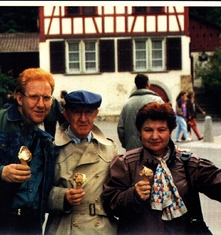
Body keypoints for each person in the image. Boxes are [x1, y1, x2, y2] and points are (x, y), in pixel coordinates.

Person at [102, 102, 221, 235]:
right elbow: (109, 203)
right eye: (148, 130)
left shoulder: (188, 163)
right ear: (140, 132)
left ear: (170, 131)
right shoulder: (126, 163)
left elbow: (217, 182)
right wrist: (133, 196)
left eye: (161, 130)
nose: (154, 136)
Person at [0, 68, 57, 234]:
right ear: (19, 98)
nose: (41, 104)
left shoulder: (46, 140)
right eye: (34, 97)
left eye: (46, 98)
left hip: (31, 224)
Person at [45, 90, 119, 235]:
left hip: (101, 228)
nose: (83, 119)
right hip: (64, 227)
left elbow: (118, 191)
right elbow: (37, 193)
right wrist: (63, 197)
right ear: (66, 114)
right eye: (77, 112)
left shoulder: (110, 148)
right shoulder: (51, 148)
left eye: (88, 112)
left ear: (96, 113)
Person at [117, 73, 164, 151]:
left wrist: (127, 144)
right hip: (154, 148)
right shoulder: (157, 101)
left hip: (132, 149)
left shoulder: (127, 103)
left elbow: (120, 128)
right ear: (148, 84)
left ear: (136, 85)